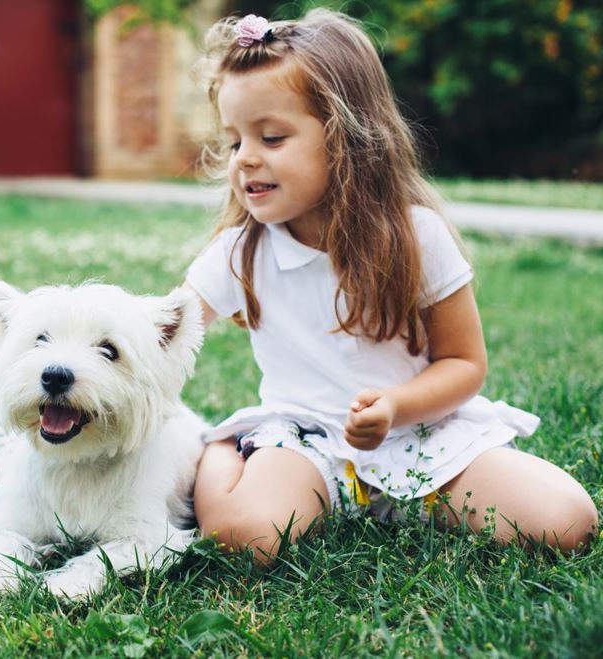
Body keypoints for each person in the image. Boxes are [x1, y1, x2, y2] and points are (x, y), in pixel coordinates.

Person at [185, 9, 597, 562]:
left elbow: (464, 363)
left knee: (566, 522)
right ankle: (219, 451)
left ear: (347, 136)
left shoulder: (415, 236)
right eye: (235, 141)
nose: (245, 159)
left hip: (419, 433)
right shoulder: (242, 250)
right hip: (304, 441)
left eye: (272, 137)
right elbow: (167, 326)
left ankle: (403, 497)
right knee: (248, 540)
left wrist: (396, 406)